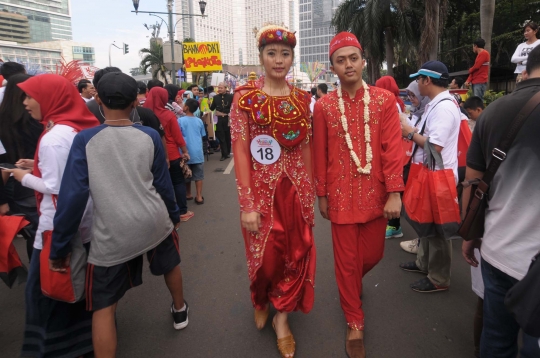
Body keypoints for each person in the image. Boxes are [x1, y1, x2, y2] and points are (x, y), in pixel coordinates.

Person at [49, 72, 189, 357]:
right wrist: (173, 215)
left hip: (112, 233)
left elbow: (72, 198)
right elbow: (162, 184)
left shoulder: (85, 140)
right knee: (169, 264)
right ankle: (179, 309)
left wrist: (59, 246)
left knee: (103, 305)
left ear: (98, 99)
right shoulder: (149, 135)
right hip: (154, 220)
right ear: (135, 102)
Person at [313, 32, 403, 358]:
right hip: (338, 197)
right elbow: (320, 152)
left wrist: (395, 192)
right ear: (333, 67)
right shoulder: (323, 107)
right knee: (345, 262)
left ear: (363, 61)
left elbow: (393, 148)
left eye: (353, 58)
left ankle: (351, 284)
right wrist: (321, 194)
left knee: (372, 256)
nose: (348, 64)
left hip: (375, 195)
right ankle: (355, 321)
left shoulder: (383, 101)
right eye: (341, 60)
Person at [230, 24, 315, 358]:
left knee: (296, 254)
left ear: (292, 58)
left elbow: (306, 146)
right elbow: (239, 150)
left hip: (296, 192)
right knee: (264, 260)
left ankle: (283, 317)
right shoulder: (244, 100)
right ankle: (262, 296)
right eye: (271, 53)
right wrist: (246, 202)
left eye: (285, 53)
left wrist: (310, 192)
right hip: (261, 194)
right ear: (261, 57)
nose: (279, 60)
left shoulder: (302, 98)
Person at [6, 74, 99, 358]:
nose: (24, 103)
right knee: (77, 293)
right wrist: (37, 166)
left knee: (46, 296)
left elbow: (58, 188)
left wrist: (22, 176)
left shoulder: (55, 138)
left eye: (29, 96)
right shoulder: (72, 130)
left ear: (49, 98)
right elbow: (71, 173)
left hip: (57, 229)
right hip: (82, 226)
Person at [462, 45, 540, 358]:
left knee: (496, 340)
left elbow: (472, 183)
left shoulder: (493, 112)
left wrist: (470, 237)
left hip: (498, 252)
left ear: (526, 68)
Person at [399, 61, 461, 293]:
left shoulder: (443, 108)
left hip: (438, 176)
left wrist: (409, 133)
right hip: (430, 173)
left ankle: (438, 278)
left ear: (427, 80)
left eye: (418, 79)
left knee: (438, 230)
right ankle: (423, 263)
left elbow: (435, 147)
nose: (415, 84)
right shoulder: (437, 104)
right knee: (427, 223)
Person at [0, 74, 43, 260]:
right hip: (36, 183)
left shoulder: (3, 120)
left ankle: (39, 278)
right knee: (43, 234)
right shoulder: (36, 120)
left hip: (13, 187)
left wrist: (2, 200)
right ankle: (44, 278)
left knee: (35, 234)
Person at [144, 87, 193, 222]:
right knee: (177, 182)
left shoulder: (142, 114)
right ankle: (182, 212)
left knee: (158, 184)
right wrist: (185, 151)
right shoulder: (168, 114)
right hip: (171, 153)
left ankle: (163, 212)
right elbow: (177, 136)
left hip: (150, 155)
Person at [391, 80, 430, 251]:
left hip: (426, 166)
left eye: (414, 95)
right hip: (413, 161)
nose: (411, 98)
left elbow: (434, 145)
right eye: (409, 95)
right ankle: (423, 249)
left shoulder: (438, 110)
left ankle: (424, 250)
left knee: (422, 209)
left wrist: (409, 132)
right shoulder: (419, 111)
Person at [178, 99, 205, 205]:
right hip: (198, 152)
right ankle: (199, 196)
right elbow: (202, 135)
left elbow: (178, 136)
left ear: (186, 107)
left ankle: (188, 194)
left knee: (186, 174)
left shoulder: (180, 120)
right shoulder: (199, 121)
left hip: (185, 152)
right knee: (199, 176)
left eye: (184, 105)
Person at [209, 82, 233, 161]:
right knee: (221, 136)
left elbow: (234, 107)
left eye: (221, 88)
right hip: (219, 119)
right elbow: (212, 108)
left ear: (225, 88)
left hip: (228, 119)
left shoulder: (230, 97)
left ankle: (228, 152)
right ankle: (224, 154)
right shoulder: (216, 97)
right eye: (218, 88)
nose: (219, 89)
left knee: (227, 136)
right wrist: (209, 104)